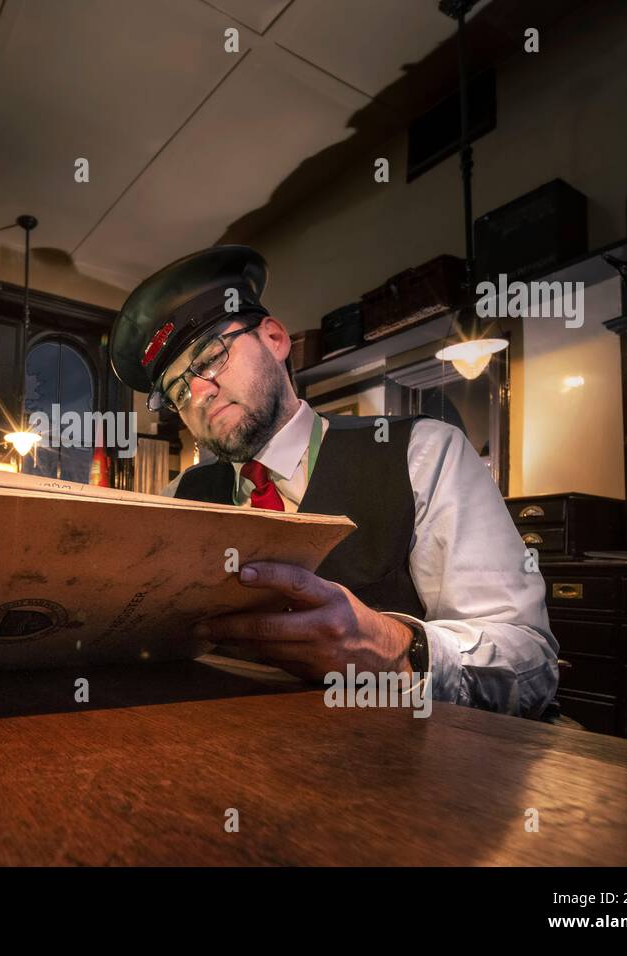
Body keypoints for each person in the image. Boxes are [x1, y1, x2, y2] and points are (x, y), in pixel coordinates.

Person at [109, 245, 559, 718]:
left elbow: (530, 663)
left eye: (211, 356)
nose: (198, 393)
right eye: (178, 389)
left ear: (275, 338)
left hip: (398, 765)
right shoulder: (179, 499)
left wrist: (395, 651)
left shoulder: (421, 454)